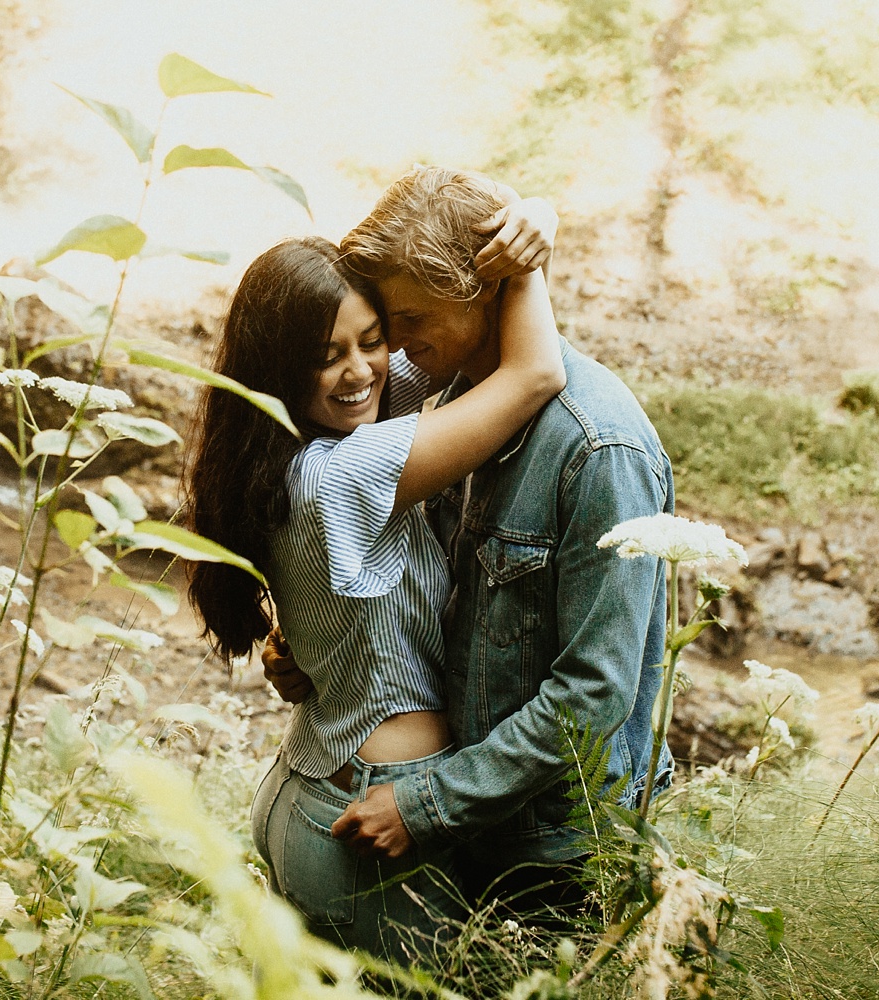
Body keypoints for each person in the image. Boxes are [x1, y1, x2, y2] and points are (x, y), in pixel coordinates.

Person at [264, 166, 677, 920]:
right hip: (473, 834)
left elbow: (594, 694)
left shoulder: (597, 450)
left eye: (409, 320)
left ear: (485, 287)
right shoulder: (442, 392)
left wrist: (428, 803)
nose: (397, 348)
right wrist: (320, 641)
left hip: (554, 852)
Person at [183, 221, 565, 963]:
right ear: (279, 369)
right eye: (326, 357)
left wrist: (527, 216)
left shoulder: (284, 452)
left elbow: (445, 350)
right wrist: (526, 259)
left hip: (311, 783)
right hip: (367, 809)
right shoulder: (352, 471)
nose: (361, 370)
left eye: (374, 337)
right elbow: (534, 374)